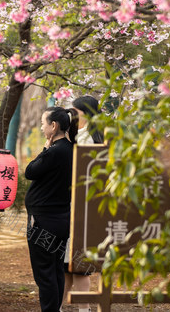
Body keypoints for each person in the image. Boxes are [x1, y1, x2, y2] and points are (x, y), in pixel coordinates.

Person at [24, 106, 78, 312]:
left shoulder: (54, 152)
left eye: (42, 123)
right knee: (55, 270)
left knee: (45, 275)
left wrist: (45, 149)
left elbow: (30, 171)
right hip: (61, 220)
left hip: (43, 221)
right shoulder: (71, 150)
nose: (41, 127)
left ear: (53, 126)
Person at [64, 95, 102, 312]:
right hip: (81, 207)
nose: (72, 116)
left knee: (77, 264)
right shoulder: (90, 135)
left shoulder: (86, 139)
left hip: (81, 208)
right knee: (69, 265)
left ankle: (83, 309)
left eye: (75, 112)